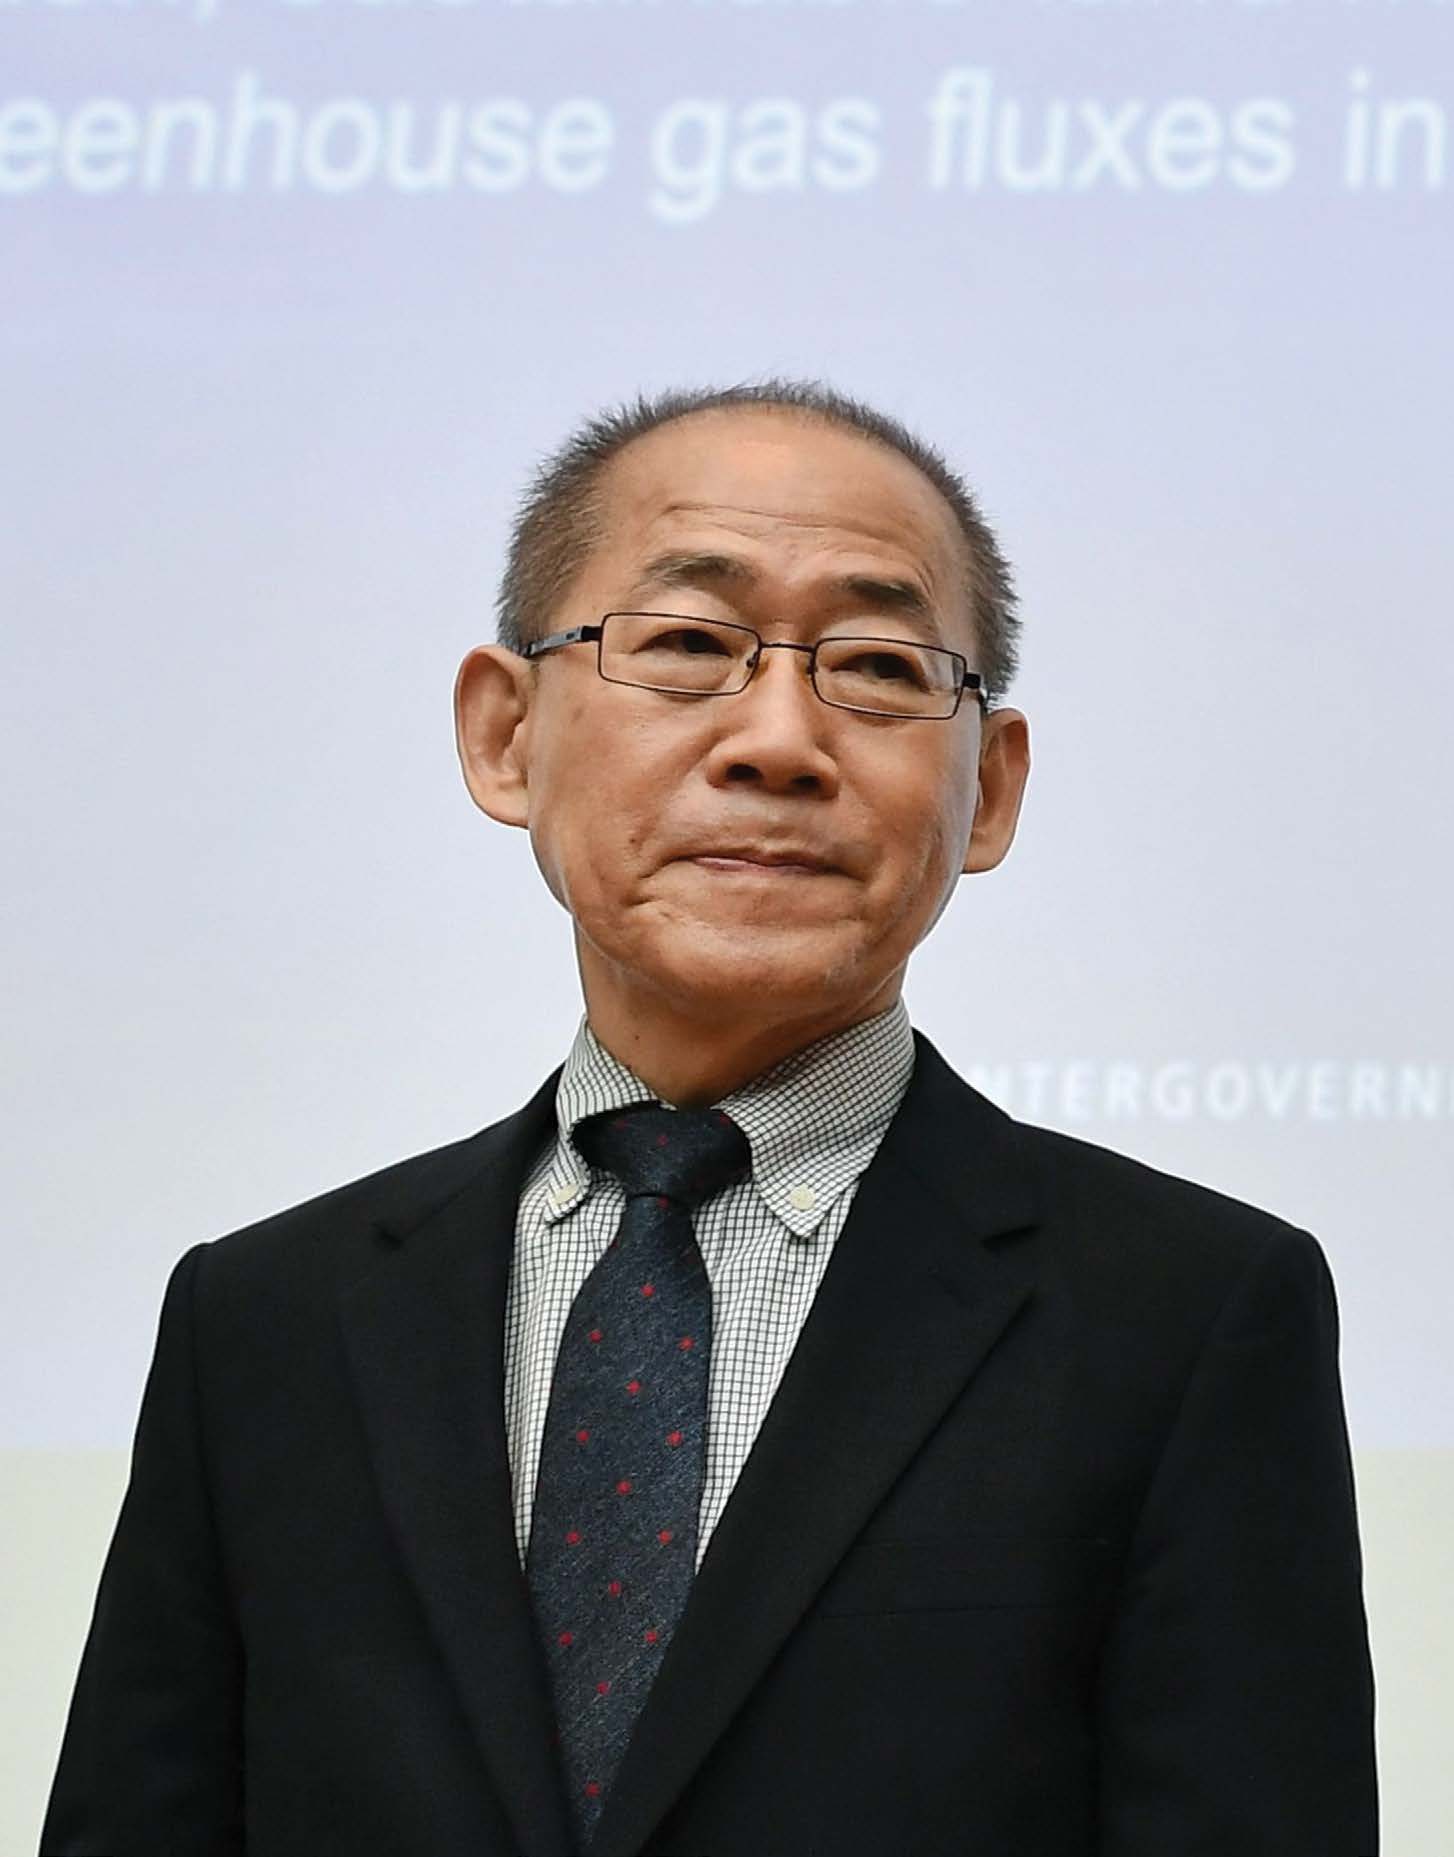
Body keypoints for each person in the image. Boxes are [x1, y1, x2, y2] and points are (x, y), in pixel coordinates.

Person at [42, 381, 1378, 1856]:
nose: (780, 738)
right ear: (505, 735)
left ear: (986, 788)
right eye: (685, 644)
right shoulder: (267, 1316)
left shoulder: (1185, 1313)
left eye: (876, 665)